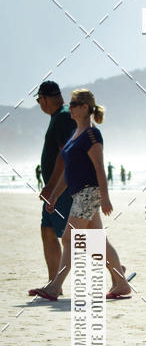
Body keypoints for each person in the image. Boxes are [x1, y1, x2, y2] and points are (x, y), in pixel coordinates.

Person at [29, 89, 131, 301]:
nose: (71, 107)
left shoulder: (92, 135)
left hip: (88, 192)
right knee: (98, 241)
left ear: (85, 108)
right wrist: (54, 195)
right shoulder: (76, 133)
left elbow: (99, 167)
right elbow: (68, 171)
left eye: (74, 104)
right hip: (78, 193)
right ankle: (121, 283)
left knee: (69, 237)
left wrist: (105, 197)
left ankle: (54, 286)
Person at [32, 81, 76, 287]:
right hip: (58, 188)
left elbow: (64, 154)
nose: (39, 104)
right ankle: (53, 282)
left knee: (79, 236)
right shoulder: (58, 117)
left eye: (39, 100)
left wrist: (51, 187)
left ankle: (116, 270)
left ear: (45, 98)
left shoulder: (63, 117)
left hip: (64, 189)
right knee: (48, 229)